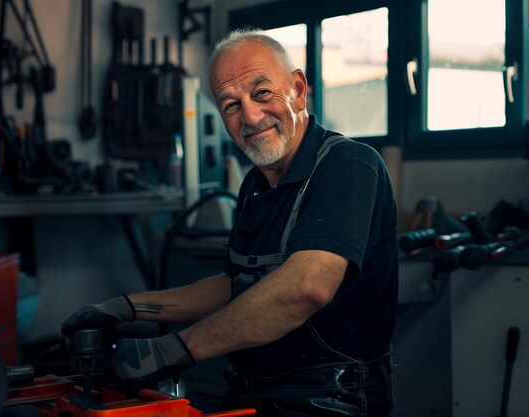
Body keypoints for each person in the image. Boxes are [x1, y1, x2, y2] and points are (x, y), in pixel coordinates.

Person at [62, 28, 399, 417]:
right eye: (230, 105)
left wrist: (174, 349)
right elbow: (235, 286)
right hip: (253, 395)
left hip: (330, 401)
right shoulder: (256, 183)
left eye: (261, 93)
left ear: (299, 89)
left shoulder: (348, 165)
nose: (250, 116)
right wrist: (124, 308)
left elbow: (306, 289)